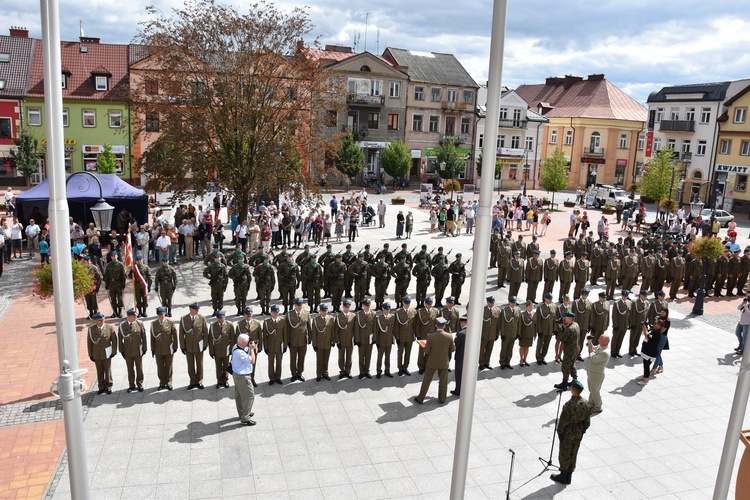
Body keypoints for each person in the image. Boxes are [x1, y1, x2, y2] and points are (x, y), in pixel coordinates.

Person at [551, 379, 591, 485]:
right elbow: (587, 421)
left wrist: (559, 431)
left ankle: (563, 475)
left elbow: (563, 421)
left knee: (565, 453)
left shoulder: (569, 405)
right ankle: (569, 475)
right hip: (578, 432)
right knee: (574, 452)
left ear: (573, 389)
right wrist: (582, 430)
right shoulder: (586, 403)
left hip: (568, 432)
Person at [414, 317, 455, 404]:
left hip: (432, 362)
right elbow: (452, 349)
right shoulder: (449, 336)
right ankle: (442, 399)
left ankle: (420, 398)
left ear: (436, 325)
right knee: (443, 381)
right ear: (444, 326)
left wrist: (424, 346)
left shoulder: (430, 336)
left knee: (426, 380)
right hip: (444, 362)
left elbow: (426, 351)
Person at [180, 303, 208, 389]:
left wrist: (205, 344)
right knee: (190, 364)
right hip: (188, 346)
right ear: (191, 309)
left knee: (200, 364)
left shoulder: (202, 318)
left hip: (199, 345)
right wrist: (182, 346)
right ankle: (192, 381)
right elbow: (181, 334)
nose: (198, 311)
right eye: (196, 309)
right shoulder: (184, 319)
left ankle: (199, 381)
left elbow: (205, 332)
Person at [87, 312, 117, 395]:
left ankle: (109, 386)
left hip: (107, 353)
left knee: (107, 370)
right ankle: (101, 387)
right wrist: (91, 354)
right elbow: (89, 343)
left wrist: (113, 352)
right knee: (99, 371)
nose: (102, 321)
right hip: (97, 354)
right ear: (96, 320)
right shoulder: (91, 329)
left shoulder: (109, 328)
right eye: (100, 320)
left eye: (103, 319)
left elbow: (114, 341)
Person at [118, 309, 147, 392]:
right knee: (130, 369)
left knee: (139, 368)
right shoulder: (122, 325)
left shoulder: (139, 324)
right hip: (128, 351)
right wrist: (121, 350)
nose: (136, 317)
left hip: (138, 350)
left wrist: (144, 348)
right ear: (129, 317)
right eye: (134, 316)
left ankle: (140, 384)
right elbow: (120, 339)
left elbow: (143, 337)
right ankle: (131, 385)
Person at [230, 333, 257, 426]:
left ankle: (242, 413)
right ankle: (245, 417)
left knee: (239, 395)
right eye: (247, 342)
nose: (249, 343)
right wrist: (252, 349)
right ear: (242, 342)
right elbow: (252, 360)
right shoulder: (239, 352)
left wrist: (249, 347)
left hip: (237, 375)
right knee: (249, 396)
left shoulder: (236, 346)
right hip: (243, 377)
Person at [151, 307, 178, 390]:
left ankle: (169, 382)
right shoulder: (153, 324)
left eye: (162, 314)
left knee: (169, 366)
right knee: (160, 367)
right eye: (159, 315)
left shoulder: (170, 322)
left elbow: (175, 335)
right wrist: (153, 349)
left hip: (168, 348)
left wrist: (175, 346)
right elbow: (152, 338)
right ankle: (162, 382)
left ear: (165, 314)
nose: (160, 316)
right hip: (158, 349)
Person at [554, 311, 580, 390]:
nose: (564, 319)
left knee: (565, 366)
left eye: (565, 317)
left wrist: (560, 329)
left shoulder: (570, 329)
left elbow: (562, 338)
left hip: (569, 350)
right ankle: (575, 380)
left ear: (570, 319)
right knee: (572, 365)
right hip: (576, 349)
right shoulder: (576, 325)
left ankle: (564, 382)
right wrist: (563, 328)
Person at [586, 333, 610, 414]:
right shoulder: (600, 347)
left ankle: (598, 406)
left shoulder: (605, 352)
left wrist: (592, 352)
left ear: (604, 342)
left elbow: (594, 359)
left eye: (600, 338)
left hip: (597, 375)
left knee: (595, 391)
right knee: (592, 389)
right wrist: (589, 343)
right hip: (592, 373)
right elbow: (593, 348)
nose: (598, 339)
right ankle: (591, 404)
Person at [638, 318, 665, 386]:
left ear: (659, 326)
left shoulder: (657, 333)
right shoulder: (654, 330)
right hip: (647, 351)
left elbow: (647, 336)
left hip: (650, 353)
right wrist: (647, 325)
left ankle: (645, 380)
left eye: (656, 323)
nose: (654, 324)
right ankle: (644, 376)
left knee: (646, 366)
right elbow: (649, 331)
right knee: (645, 365)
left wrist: (644, 327)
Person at [451, 315, 467, 396]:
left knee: (459, 373)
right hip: (468, 357)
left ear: (462, 323)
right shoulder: (472, 331)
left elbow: (455, 345)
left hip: (460, 356)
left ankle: (458, 390)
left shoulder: (460, 334)